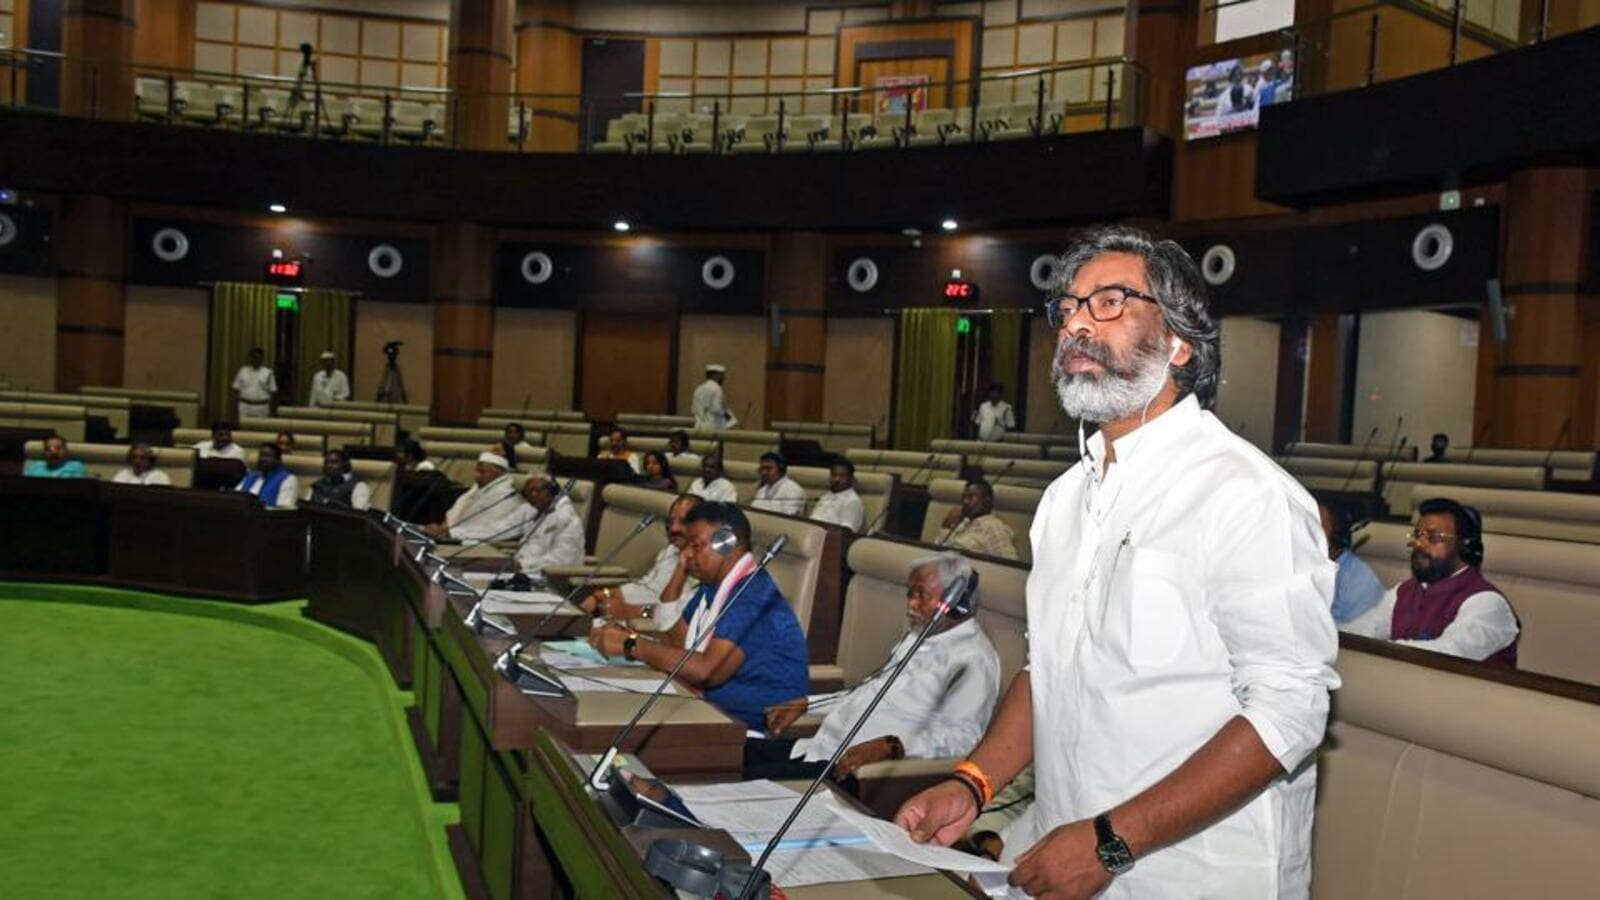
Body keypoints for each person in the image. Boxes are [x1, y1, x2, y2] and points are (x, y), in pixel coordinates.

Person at [895, 225, 1339, 898]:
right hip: (1063, 853)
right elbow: (1047, 671)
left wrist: (1110, 842)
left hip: (1191, 878)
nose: (1075, 323)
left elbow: (1289, 714)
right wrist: (974, 782)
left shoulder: (1246, 497)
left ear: (1181, 340)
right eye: (1067, 307)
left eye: (1108, 302)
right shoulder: (1064, 500)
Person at [747, 552, 1001, 782]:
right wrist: (807, 703)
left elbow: (962, 740)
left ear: (958, 604)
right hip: (819, 749)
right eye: (909, 593)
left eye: (921, 594)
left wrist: (895, 746)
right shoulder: (917, 637)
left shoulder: (973, 659)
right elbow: (867, 693)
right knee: (730, 756)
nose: (911, 604)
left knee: (738, 778)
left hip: (857, 773)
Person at [589, 503, 807, 731]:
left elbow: (707, 672)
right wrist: (627, 635)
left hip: (743, 731)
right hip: (704, 711)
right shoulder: (710, 588)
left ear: (726, 543)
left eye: (695, 545)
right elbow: (676, 641)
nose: (686, 554)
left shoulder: (752, 596)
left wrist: (631, 644)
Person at [1341, 498, 1519, 667]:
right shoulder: (1403, 591)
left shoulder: (1487, 603)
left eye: (1434, 537)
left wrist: (1381, 649)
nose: (1419, 543)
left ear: (1464, 545)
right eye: (1418, 535)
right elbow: (1365, 629)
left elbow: (1447, 655)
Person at [584, 493, 701, 629]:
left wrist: (630, 611)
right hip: (625, 618)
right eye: (670, 521)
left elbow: (677, 611)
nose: (674, 528)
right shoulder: (670, 550)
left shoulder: (703, 564)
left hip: (651, 628)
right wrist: (604, 594)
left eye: (683, 521)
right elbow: (645, 585)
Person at [426, 451, 523, 543]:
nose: (476, 476)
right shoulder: (477, 488)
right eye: (477, 471)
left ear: (497, 474)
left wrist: (449, 533)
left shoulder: (506, 496)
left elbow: (488, 530)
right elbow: (454, 512)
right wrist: (443, 529)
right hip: (450, 538)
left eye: (482, 472)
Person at [1318, 499, 1384, 624]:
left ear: (1339, 534)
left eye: (1318, 524)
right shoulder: (1297, 567)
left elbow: (1357, 636)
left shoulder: (1360, 579)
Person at [511, 475, 587, 577]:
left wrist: (522, 565)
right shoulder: (540, 512)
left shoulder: (567, 519)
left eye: (536, 490)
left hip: (551, 581)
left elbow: (562, 560)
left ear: (553, 490)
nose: (532, 496)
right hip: (525, 573)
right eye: (527, 493)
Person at [937, 480, 1017, 560]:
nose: (965, 501)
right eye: (963, 497)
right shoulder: (963, 523)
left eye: (971, 497)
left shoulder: (994, 528)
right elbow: (938, 549)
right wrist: (947, 525)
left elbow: (1010, 564)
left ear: (987, 501)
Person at [810, 458, 866, 532]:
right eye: (834, 475)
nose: (837, 479)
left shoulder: (852, 501)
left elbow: (845, 533)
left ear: (851, 479)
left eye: (842, 476)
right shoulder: (827, 496)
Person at [236, 443, 299, 508]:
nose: (262, 459)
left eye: (267, 456)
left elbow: (284, 511)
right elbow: (235, 497)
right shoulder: (251, 476)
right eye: (261, 455)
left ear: (278, 460)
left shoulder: (288, 479)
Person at [232, 347, 277, 420]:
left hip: (261, 407)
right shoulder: (242, 371)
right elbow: (236, 389)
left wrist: (272, 410)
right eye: (254, 357)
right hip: (245, 405)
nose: (256, 360)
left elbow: (273, 391)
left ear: (262, 359)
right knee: (244, 429)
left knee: (260, 429)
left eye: (258, 358)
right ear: (250, 358)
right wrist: (235, 407)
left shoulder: (268, 372)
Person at [691, 363, 737, 431]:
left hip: (699, 426)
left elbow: (694, 409)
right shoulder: (716, 388)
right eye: (722, 375)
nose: (724, 378)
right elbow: (716, 409)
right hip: (713, 427)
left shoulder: (699, 388)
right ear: (715, 375)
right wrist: (728, 416)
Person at [24, 434, 88, 478]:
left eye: (58, 448)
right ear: (43, 453)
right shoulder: (35, 467)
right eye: (48, 449)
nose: (53, 452)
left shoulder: (76, 467)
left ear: (66, 451)